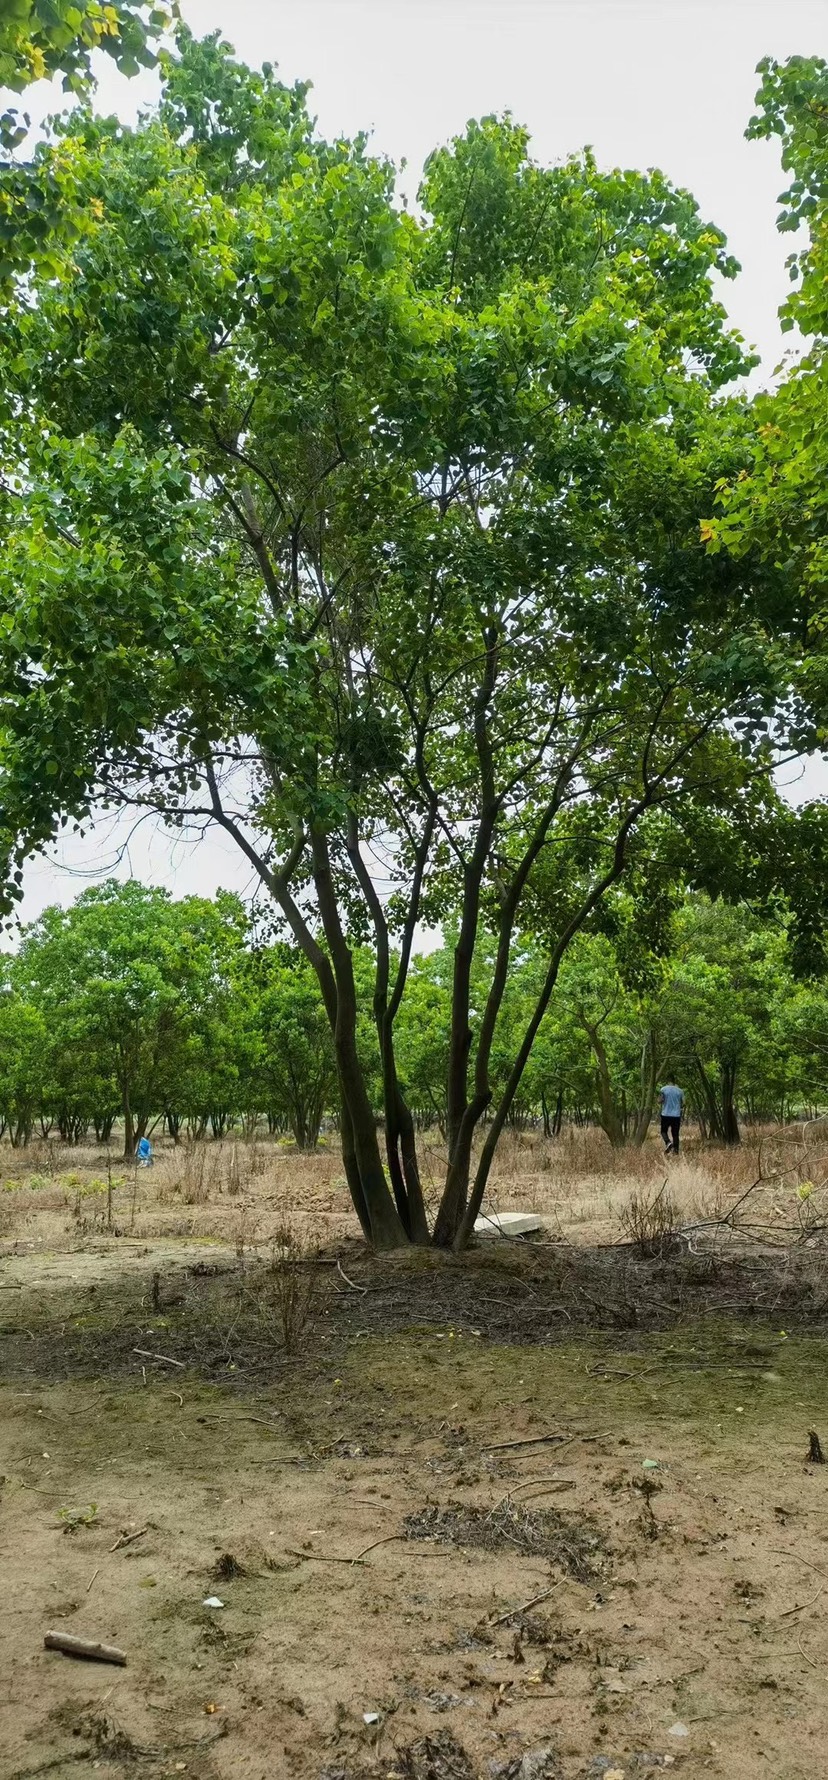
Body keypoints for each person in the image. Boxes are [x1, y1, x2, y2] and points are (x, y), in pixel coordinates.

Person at [658, 1081, 684, 1155]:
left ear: (668, 1081)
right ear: (674, 1081)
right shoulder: (680, 1091)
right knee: (675, 1134)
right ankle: (676, 1152)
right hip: (676, 1115)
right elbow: (683, 1103)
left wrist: (661, 1101)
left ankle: (668, 1143)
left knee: (663, 1131)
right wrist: (678, 1106)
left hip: (665, 1114)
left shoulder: (663, 1089)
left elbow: (660, 1100)